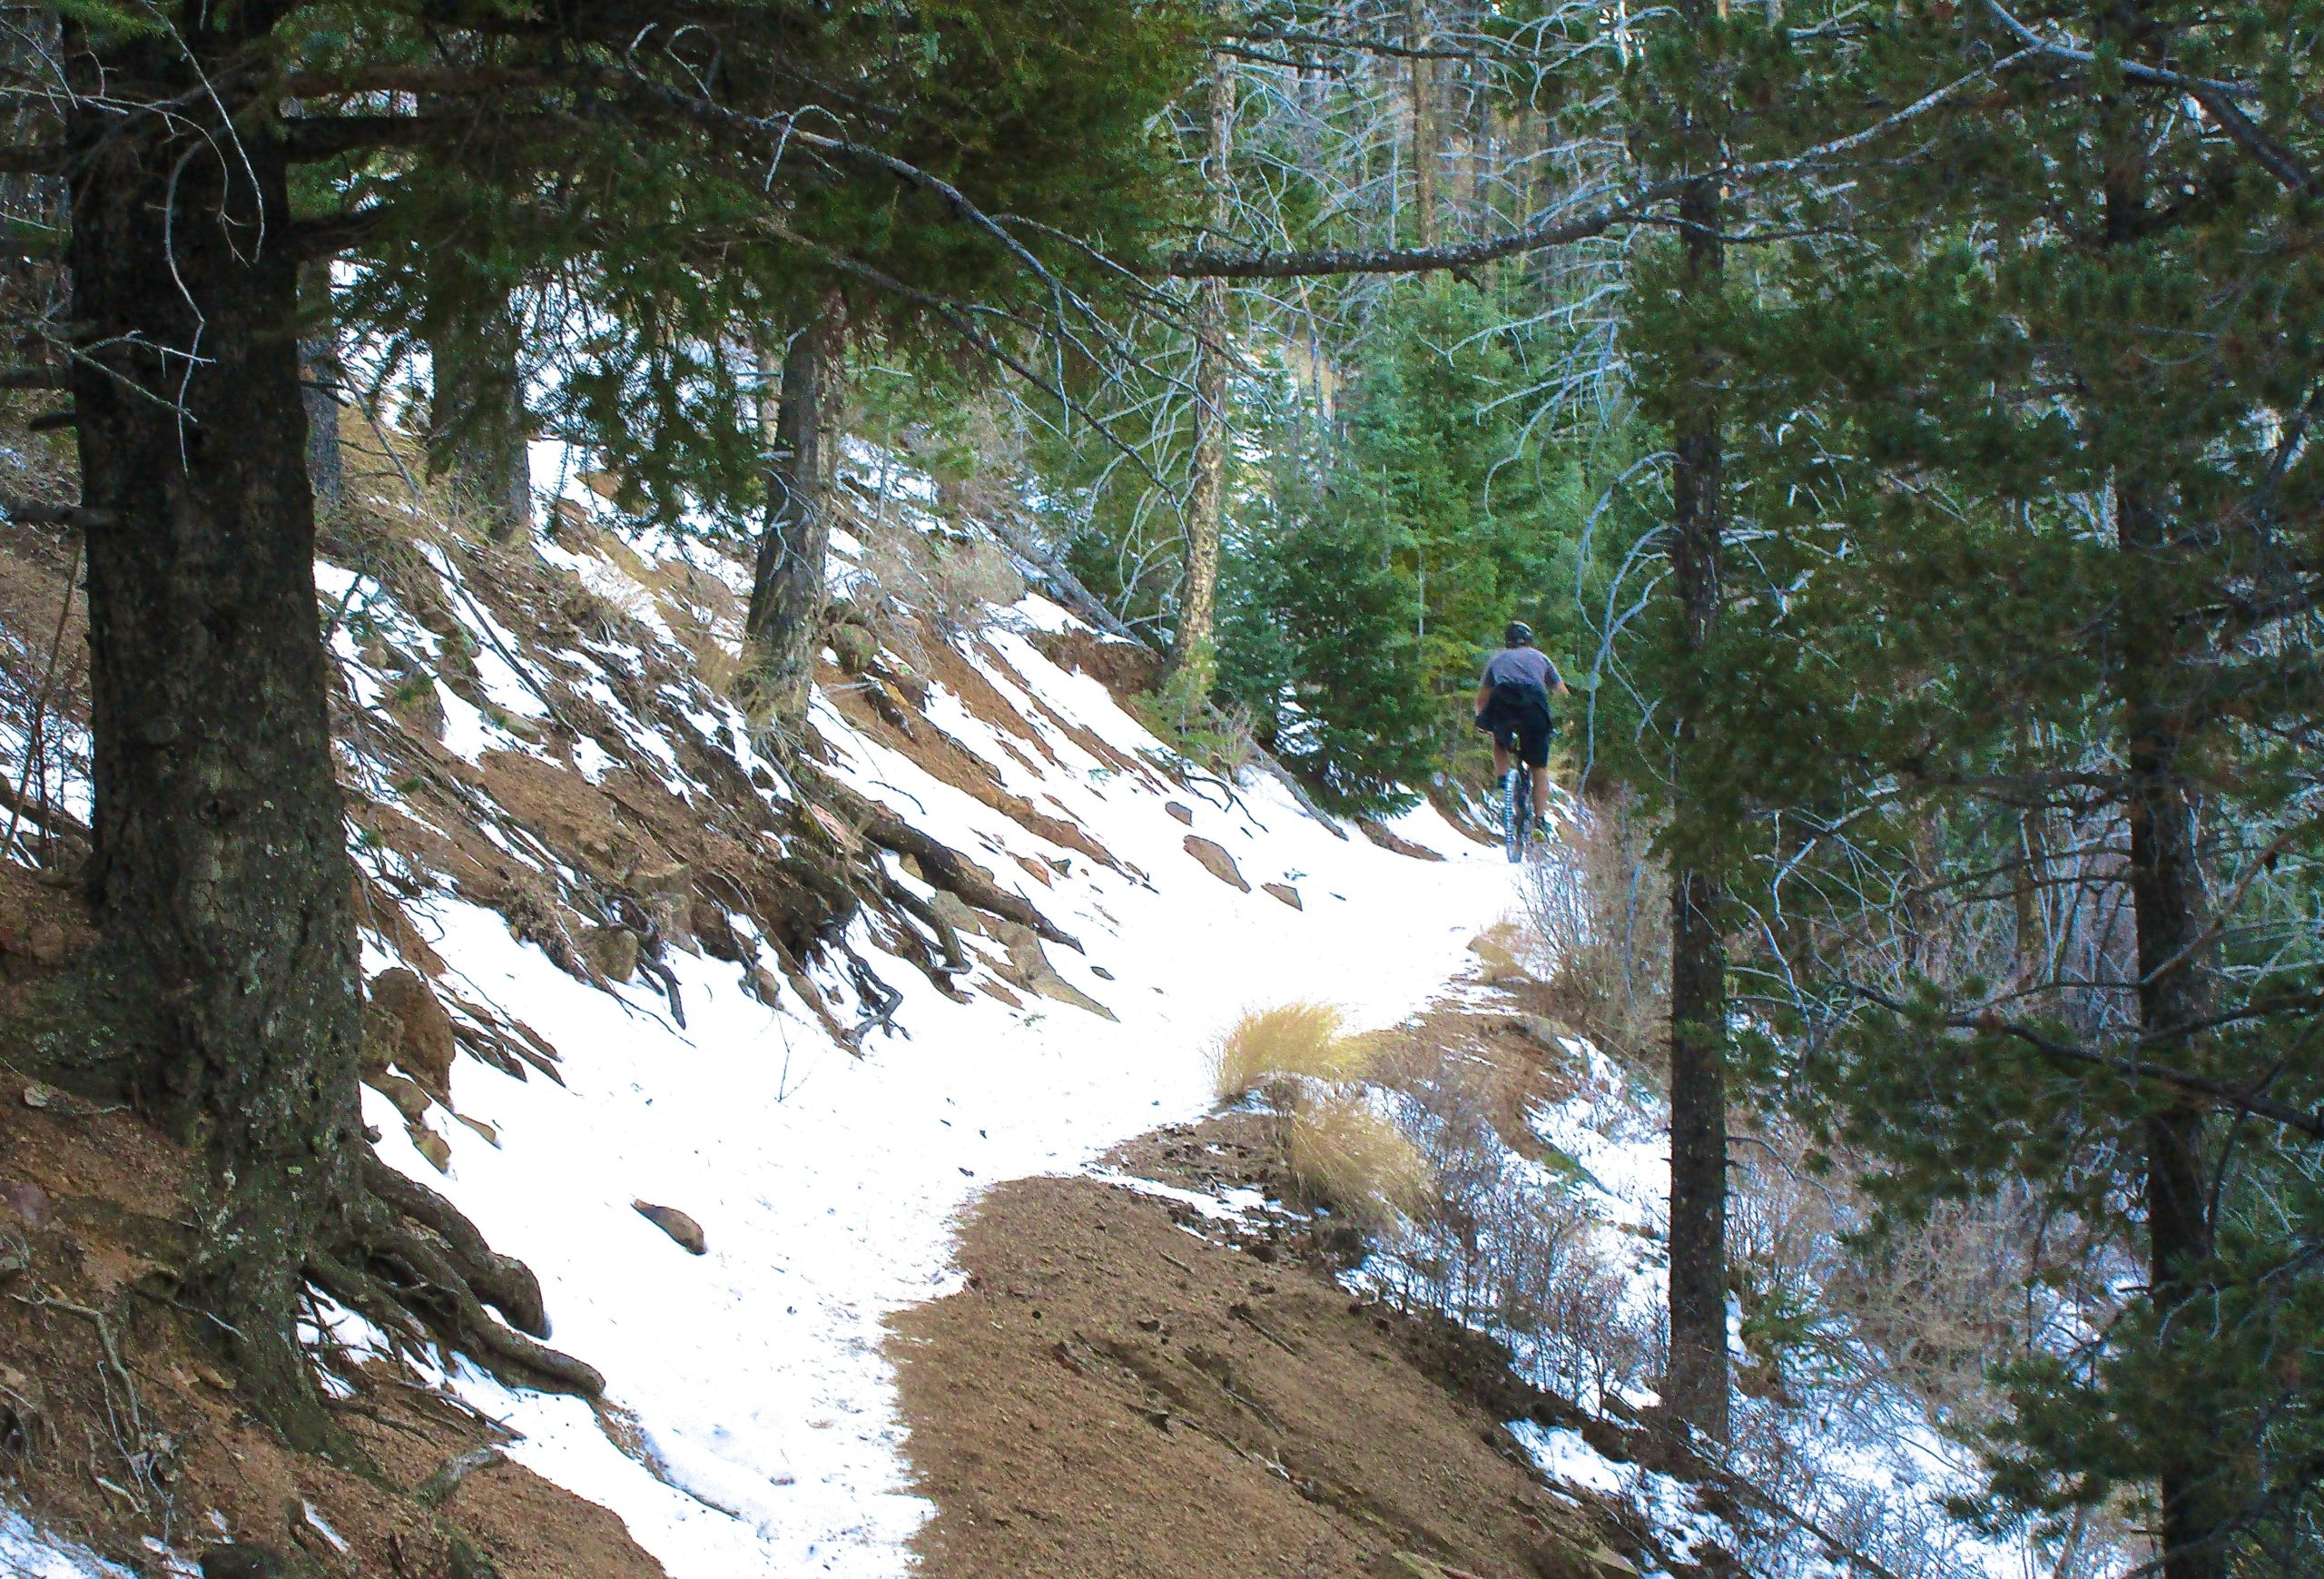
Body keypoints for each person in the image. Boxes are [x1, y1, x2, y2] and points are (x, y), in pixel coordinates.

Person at [1473, 621, 1567, 824]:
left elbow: (1482, 698)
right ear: (1530, 641)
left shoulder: (1497, 659)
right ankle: (1540, 821)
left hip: (1504, 702)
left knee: (1499, 740)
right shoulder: (1541, 658)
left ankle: (1501, 783)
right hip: (1534, 706)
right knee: (1539, 767)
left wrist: (1482, 720)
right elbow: (1562, 693)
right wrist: (1565, 720)